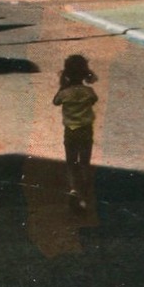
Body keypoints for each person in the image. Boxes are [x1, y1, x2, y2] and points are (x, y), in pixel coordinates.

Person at [52, 53, 99, 208]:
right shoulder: (89, 92)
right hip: (86, 130)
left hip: (70, 130)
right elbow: (93, 100)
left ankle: (74, 189)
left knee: (71, 162)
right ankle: (85, 190)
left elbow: (56, 102)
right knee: (85, 161)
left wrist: (63, 84)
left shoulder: (64, 93)